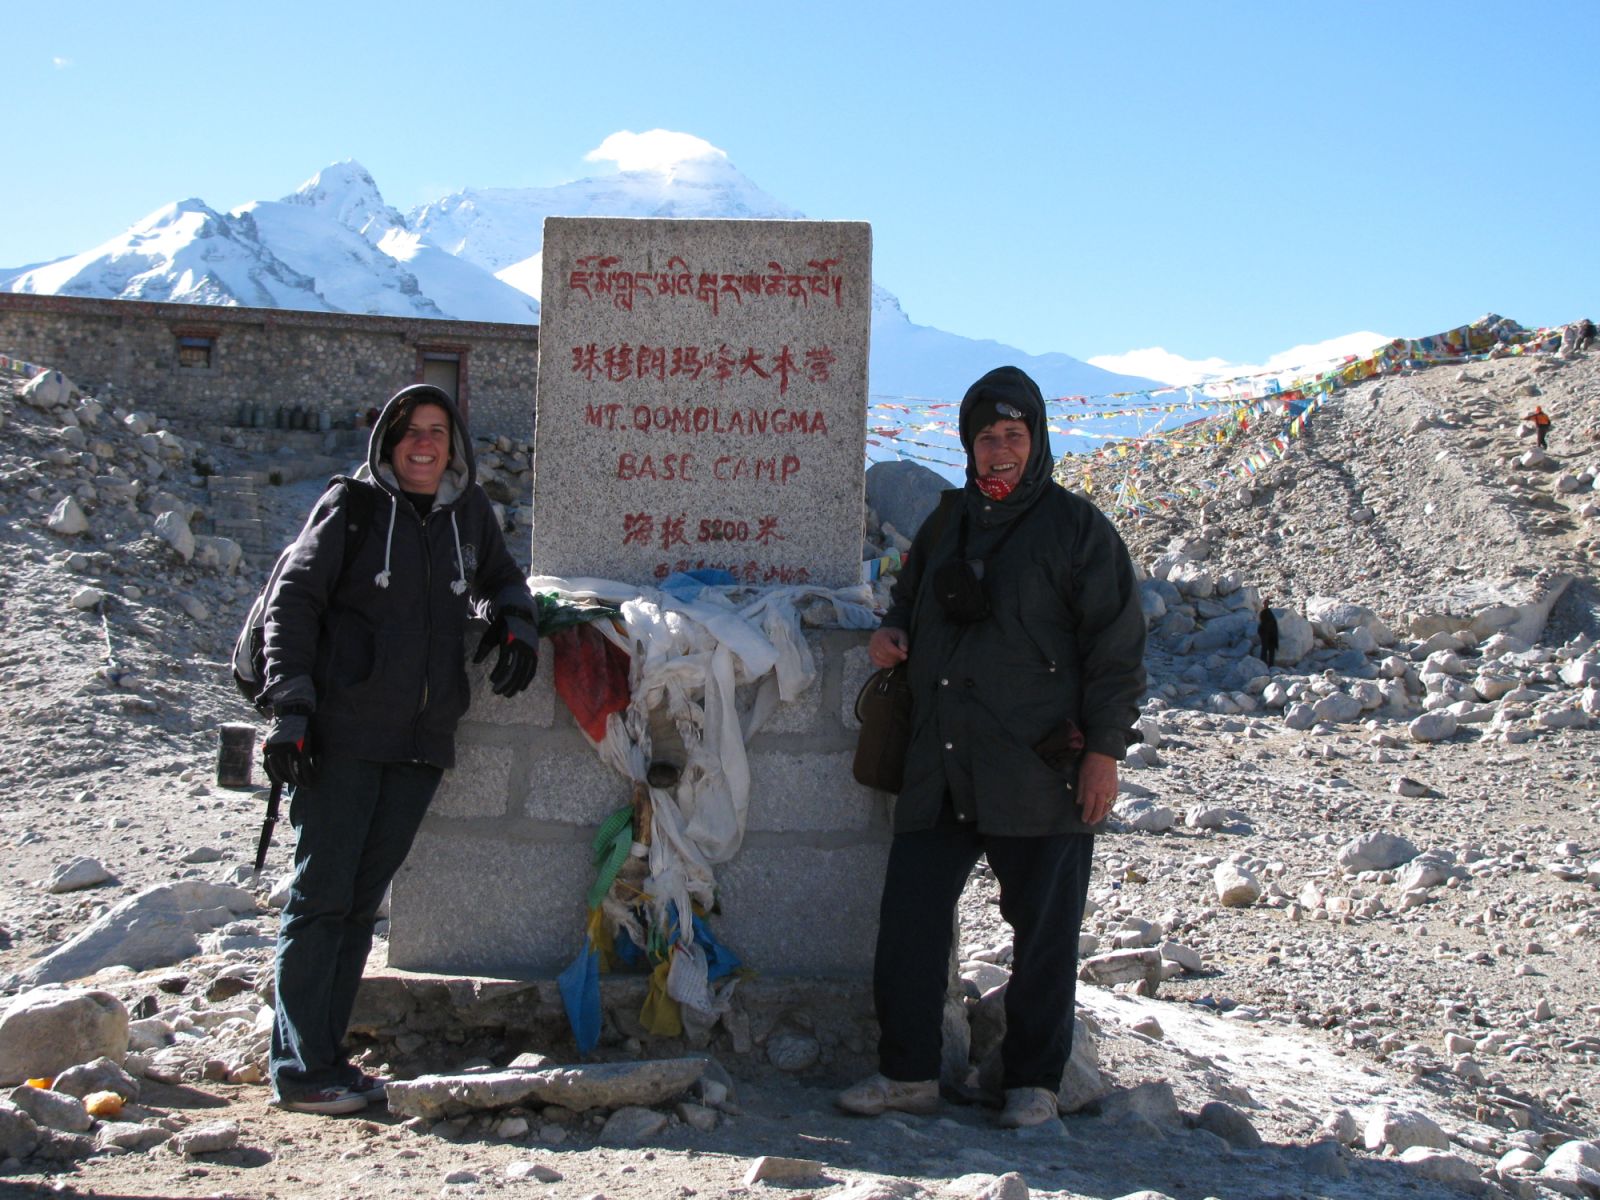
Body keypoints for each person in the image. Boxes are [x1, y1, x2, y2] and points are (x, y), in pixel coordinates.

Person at [837, 366, 1146, 1129]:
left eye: (1013, 436)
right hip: (941, 762)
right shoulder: (945, 525)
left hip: (1042, 768)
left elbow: (1117, 651)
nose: (999, 451)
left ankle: (1034, 1082)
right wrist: (889, 634)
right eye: (986, 438)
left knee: (1043, 934)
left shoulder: (1079, 531)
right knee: (908, 923)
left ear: (1036, 441)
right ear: (968, 446)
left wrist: (1104, 752)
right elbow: (906, 604)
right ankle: (907, 1073)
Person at [260, 383, 540, 1115]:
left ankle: (326, 1057)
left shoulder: (468, 513)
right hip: (344, 734)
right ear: (388, 440)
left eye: (439, 433)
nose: (425, 444)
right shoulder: (350, 509)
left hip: (420, 741)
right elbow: (295, 599)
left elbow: (502, 577)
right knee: (322, 898)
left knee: (357, 904)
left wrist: (514, 619)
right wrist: (291, 705)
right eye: (412, 431)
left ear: (456, 447)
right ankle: (299, 1068)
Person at [1258, 599, 1280, 669]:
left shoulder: (1266, 613)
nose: (1265, 604)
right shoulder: (1265, 613)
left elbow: (1266, 625)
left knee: (1268, 650)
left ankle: (1268, 665)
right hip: (1268, 635)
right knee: (1267, 650)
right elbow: (1264, 625)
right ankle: (1266, 665)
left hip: (1270, 635)